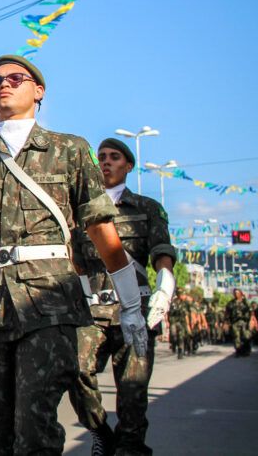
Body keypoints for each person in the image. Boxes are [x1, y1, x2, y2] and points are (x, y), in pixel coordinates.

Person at [0, 55, 146, 456]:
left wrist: (131, 302)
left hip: (51, 304)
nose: (3, 85)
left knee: (35, 423)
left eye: (15, 78)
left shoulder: (69, 151)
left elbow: (99, 227)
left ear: (38, 91)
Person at [67, 137, 176, 456]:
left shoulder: (147, 208)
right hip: (92, 313)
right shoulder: (81, 213)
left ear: (128, 165)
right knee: (75, 370)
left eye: (114, 157)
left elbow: (161, 249)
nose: (106, 162)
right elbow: (75, 260)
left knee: (132, 394)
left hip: (135, 312)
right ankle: (100, 429)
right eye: (101, 157)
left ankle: (129, 447)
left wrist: (165, 281)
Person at [225, 288, 255, 357]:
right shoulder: (231, 303)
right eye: (235, 293)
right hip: (235, 322)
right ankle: (238, 351)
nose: (236, 294)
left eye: (238, 293)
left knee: (246, 337)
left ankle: (246, 350)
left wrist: (252, 320)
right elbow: (227, 313)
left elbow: (251, 312)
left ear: (241, 294)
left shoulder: (245, 302)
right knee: (236, 337)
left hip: (245, 322)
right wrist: (226, 322)